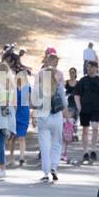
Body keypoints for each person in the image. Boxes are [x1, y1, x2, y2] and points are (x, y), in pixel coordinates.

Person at [35, 48, 66, 183]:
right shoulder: (59, 82)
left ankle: (46, 172)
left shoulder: (40, 78)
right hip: (57, 116)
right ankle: (54, 166)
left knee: (44, 145)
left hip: (43, 115)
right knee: (56, 143)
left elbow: (34, 101)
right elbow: (64, 101)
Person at [77, 60, 99, 163]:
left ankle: (93, 150)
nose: (89, 69)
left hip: (96, 108)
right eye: (87, 67)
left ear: (96, 68)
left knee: (95, 127)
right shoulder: (82, 80)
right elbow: (77, 95)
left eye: (91, 67)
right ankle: (85, 152)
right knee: (85, 130)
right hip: (84, 109)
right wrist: (79, 107)